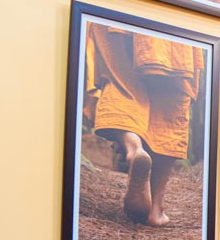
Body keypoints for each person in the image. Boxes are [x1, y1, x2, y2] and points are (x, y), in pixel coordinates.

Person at [84, 22, 204, 226]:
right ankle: (156, 210)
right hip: (173, 28)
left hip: (118, 17)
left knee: (121, 84)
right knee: (170, 108)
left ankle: (135, 148)